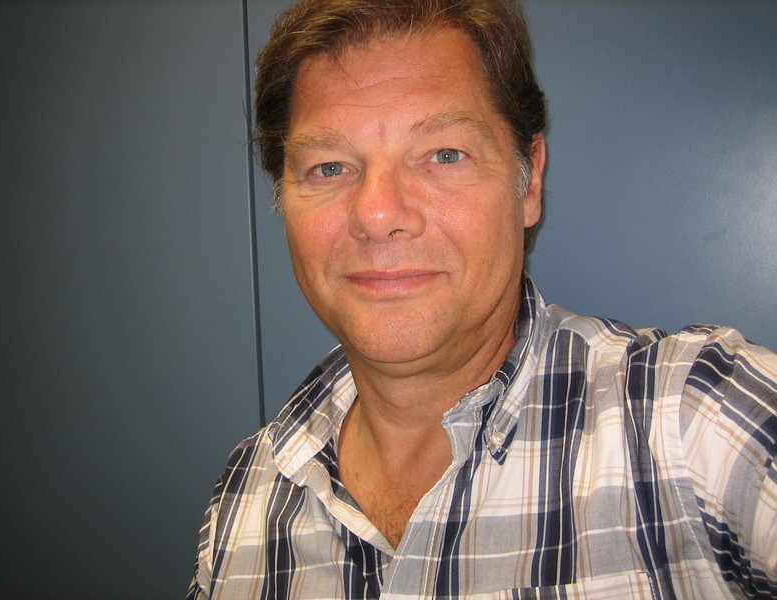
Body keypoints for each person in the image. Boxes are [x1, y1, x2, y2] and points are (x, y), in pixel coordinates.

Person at [188, 0, 777, 597]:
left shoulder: (696, 425)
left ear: (530, 181)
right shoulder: (246, 495)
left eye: (445, 155)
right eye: (330, 166)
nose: (377, 214)